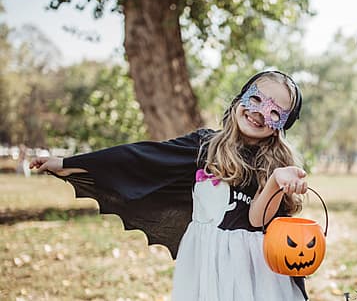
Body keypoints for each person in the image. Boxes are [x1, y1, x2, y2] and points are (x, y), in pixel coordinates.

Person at [30, 70, 310, 301]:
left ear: (282, 125)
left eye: (275, 112)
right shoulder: (205, 146)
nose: (260, 112)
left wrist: (275, 181)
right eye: (256, 98)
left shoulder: (275, 162)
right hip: (205, 258)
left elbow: (256, 219)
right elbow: (138, 157)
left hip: (251, 268)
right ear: (240, 97)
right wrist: (66, 162)